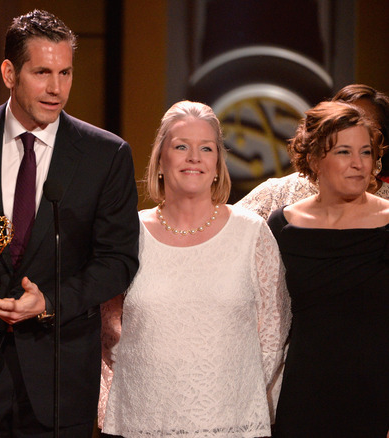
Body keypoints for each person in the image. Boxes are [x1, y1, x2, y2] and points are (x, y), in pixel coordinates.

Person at [0, 9, 139, 436]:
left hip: (58, 380)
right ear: (9, 72)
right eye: (42, 73)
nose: (57, 89)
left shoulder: (105, 155)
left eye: (66, 73)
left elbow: (118, 261)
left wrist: (49, 302)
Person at [101, 101, 290, 437]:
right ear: (161, 159)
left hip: (232, 421)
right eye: (181, 147)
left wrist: (238, 395)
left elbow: (274, 329)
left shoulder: (252, 232)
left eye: (206, 148)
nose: (194, 157)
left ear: (218, 163)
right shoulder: (128, 232)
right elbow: (105, 328)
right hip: (142, 421)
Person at [267, 101, 389, 437]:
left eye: (365, 152)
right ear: (315, 159)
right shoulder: (283, 225)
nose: (358, 164)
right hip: (305, 393)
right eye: (344, 152)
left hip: (377, 394)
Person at [237, 84, 389, 218]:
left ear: (382, 144)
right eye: (344, 127)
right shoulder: (278, 194)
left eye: (367, 128)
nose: (354, 136)